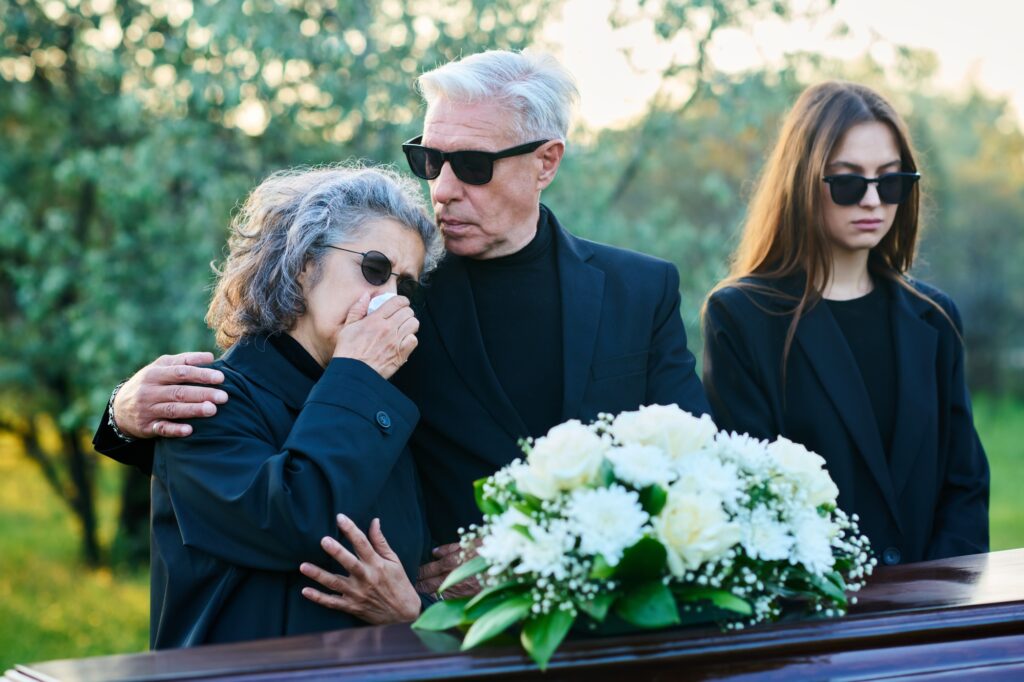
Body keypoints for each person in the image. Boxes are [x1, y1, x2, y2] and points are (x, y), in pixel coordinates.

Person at [93, 50, 711, 594]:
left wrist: (541, 560)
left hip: (607, 631)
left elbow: (693, 470)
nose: (441, 189)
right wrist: (122, 416)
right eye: (429, 159)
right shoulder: (384, 279)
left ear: (546, 162)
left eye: (470, 165)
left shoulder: (641, 287)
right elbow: (272, 416)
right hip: (421, 632)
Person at [146, 165, 445, 648]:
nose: (388, 298)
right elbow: (296, 521)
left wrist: (415, 610)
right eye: (374, 268)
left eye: (405, 286)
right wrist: (361, 375)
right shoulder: (210, 399)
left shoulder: (383, 409)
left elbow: (406, 578)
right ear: (305, 263)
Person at [702, 81, 989, 565]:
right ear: (802, 181)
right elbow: (751, 499)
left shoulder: (934, 319)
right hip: (817, 622)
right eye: (849, 182)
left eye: (891, 181)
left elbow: (964, 487)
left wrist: (934, 603)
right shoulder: (743, 317)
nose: (873, 201)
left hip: (934, 620)